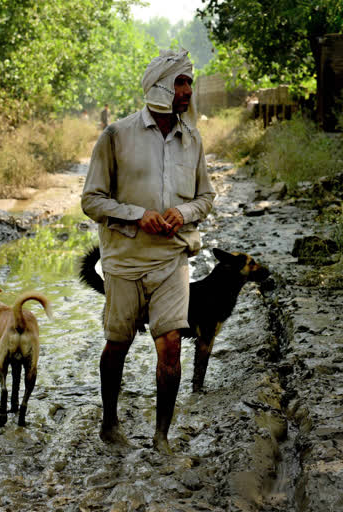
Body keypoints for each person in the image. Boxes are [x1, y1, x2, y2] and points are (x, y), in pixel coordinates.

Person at [81, 49, 215, 454]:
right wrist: (138, 216)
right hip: (123, 259)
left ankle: (161, 437)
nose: (188, 90)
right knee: (117, 343)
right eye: (180, 82)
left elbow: (206, 197)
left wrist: (183, 211)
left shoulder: (191, 139)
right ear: (159, 87)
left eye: (190, 82)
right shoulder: (116, 136)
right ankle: (109, 422)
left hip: (172, 258)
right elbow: (92, 200)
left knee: (171, 342)